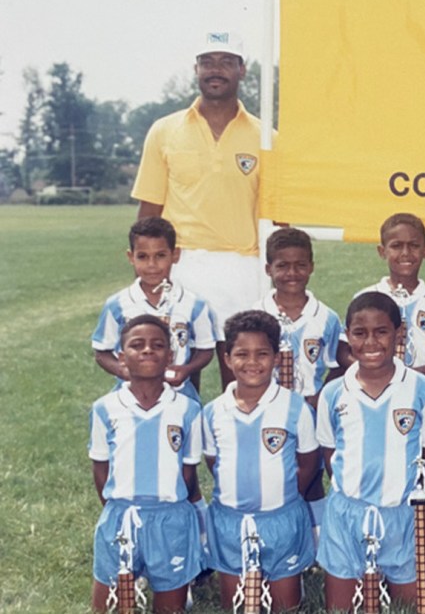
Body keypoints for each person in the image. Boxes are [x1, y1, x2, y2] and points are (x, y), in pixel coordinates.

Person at [131, 31, 265, 387]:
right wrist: (147, 278)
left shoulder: (266, 137)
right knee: (176, 377)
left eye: (225, 61)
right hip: (182, 266)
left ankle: (232, 444)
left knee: (239, 379)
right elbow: (149, 211)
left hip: (243, 268)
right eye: (207, 62)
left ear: (242, 70)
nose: (215, 70)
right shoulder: (164, 131)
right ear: (196, 69)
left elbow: (277, 217)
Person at [316, 292, 425, 611]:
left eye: (381, 331)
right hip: (347, 516)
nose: (370, 341)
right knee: (342, 609)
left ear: (399, 334)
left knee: (411, 607)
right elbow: (330, 453)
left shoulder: (422, 389)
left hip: (403, 515)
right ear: (347, 336)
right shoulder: (332, 394)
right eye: (360, 333)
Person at [202, 310, 320, 612]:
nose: (252, 362)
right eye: (242, 354)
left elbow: (307, 462)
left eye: (262, 353)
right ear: (227, 358)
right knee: (237, 605)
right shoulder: (214, 412)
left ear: (277, 358)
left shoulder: (295, 408)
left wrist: (285, 495)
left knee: (285, 605)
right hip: (230, 521)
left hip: (281, 518)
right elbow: (214, 461)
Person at [88, 315, 203, 613]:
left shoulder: (188, 409)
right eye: (137, 345)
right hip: (121, 516)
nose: (148, 351)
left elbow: (188, 472)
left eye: (158, 345)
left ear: (171, 355)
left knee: (170, 606)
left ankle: (177, 588)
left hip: (171, 518)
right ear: (121, 356)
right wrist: (117, 507)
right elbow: (100, 468)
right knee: (110, 607)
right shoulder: (105, 408)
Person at [253, 227, 343, 542]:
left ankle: (317, 539)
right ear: (268, 269)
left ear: (312, 266)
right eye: (282, 266)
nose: (292, 273)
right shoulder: (256, 314)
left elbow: (338, 364)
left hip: (309, 408)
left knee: (312, 474)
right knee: (270, 470)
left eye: (300, 265)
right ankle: (268, 533)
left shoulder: (327, 318)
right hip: (268, 408)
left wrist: (319, 397)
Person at [92, 216, 216, 402]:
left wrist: (186, 369)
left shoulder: (193, 304)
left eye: (160, 255)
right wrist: (123, 371)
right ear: (130, 257)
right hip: (130, 397)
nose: (151, 265)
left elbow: (206, 349)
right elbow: (102, 352)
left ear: (175, 255)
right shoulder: (117, 304)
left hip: (179, 396)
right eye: (143, 256)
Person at [344, 213, 425, 380]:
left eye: (414, 245)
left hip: (423, 394)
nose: (405, 253)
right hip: (373, 391)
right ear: (382, 251)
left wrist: (417, 375)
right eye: (396, 246)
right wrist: (373, 372)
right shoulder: (365, 298)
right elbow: (342, 351)